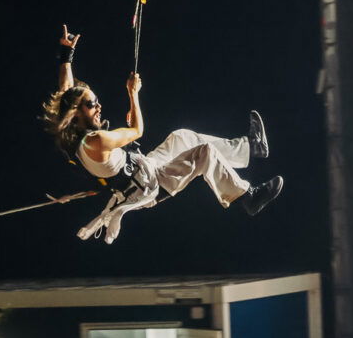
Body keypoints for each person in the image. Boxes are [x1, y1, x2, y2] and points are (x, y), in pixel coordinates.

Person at [41, 25, 283, 243]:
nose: (99, 106)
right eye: (93, 104)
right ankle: (247, 196)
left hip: (144, 168)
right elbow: (137, 130)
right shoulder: (97, 141)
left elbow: (66, 93)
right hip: (150, 184)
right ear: (77, 113)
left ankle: (252, 147)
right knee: (204, 154)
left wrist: (66, 56)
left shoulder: (73, 134)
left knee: (182, 137)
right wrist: (133, 94)